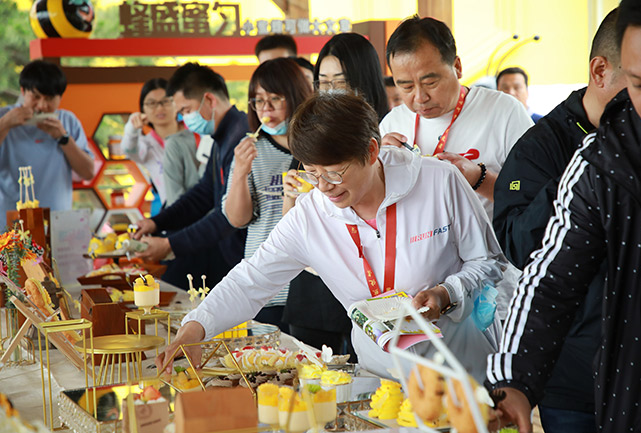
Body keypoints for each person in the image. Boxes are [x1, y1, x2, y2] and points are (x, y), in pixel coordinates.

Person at [156, 92, 507, 383]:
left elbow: (490, 262)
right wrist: (195, 327)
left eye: (335, 173)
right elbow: (252, 278)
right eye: (312, 173)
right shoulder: (311, 215)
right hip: (380, 378)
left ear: (371, 151)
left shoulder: (438, 181)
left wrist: (448, 293)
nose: (323, 186)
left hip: (461, 369)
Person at [486, 1, 641, 432]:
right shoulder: (599, 161)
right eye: (639, 84)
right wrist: (514, 380)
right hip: (587, 371)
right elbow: (547, 274)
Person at [380, 16, 533, 319]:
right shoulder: (392, 124)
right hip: (420, 288)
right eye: (405, 86)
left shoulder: (503, 112)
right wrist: (381, 169)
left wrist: (480, 178)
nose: (419, 98)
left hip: (494, 284)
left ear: (458, 67)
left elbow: (533, 193)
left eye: (430, 81)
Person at [281, 32, 390, 359]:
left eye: (339, 82)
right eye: (322, 82)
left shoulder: (388, 137)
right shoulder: (312, 135)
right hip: (316, 287)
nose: (329, 92)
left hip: (377, 290)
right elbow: (292, 226)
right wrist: (291, 194)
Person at [133, 63, 248, 289]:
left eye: (186, 110)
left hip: (240, 257)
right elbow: (203, 193)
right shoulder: (220, 137)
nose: (185, 119)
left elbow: (228, 216)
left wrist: (169, 245)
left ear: (209, 100)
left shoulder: (241, 138)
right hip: (226, 252)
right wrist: (156, 222)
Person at [222, 58, 311, 333]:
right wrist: (239, 172)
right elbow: (237, 220)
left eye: (275, 99)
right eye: (258, 100)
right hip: (265, 283)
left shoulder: (316, 148)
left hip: (309, 284)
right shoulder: (250, 149)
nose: (266, 109)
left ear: (295, 97)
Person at [0, 60, 93, 224]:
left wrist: (63, 138)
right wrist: (5, 125)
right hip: (10, 225)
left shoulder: (68, 121)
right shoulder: (4, 117)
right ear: (22, 91)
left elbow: (88, 172)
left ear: (60, 97)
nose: (42, 106)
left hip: (58, 223)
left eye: (49, 98)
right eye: (35, 97)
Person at [120, 78, 199, 210]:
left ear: (177, 103)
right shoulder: (146, 145)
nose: (159, 108)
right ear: (142, 108)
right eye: (151, 103)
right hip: (173, 214)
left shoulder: (196, 132)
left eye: (165, 101)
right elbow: (128, 149)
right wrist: (132, 128)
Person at [313, 32, 390, 120]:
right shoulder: (312, 129)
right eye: (324, 82)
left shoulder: (389, 128)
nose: (330, 90)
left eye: (340, 81)